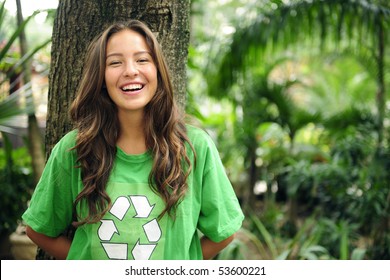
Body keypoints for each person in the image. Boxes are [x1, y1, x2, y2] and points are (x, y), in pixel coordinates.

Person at [22, 20, 244, 260]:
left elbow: (224, 232)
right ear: (101, 76)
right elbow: (38, 229)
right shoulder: (73, 149)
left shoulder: (195, 147)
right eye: (115, 62)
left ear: (158, 70)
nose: (130, 71)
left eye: (142, 60)